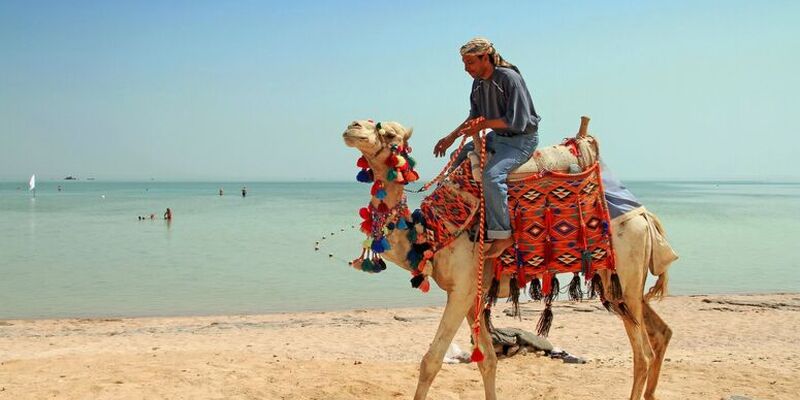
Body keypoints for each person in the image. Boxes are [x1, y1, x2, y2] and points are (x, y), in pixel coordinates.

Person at [433, 37, 541, 258]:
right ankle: (455, 212)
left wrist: (483, 125)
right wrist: (451, 137)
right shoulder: (478, 83)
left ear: (485, 57)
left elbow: (517, 121)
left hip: (521, 140)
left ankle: (503, 235)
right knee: (457, 157)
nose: (466, 69)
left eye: (470, 63)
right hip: (498, 136)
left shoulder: (509, 78)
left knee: (492, 176)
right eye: (464, 63)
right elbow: (474, 117)